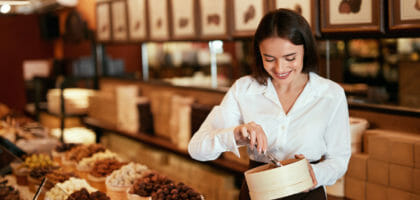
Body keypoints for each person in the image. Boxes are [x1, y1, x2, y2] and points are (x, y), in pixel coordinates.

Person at [188, 8, 351, 200]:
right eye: (269, 59)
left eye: (290, 58)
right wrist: (236, 135)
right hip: (257, 193)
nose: (280, 68)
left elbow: (339, 159)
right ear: (259, 54)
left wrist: (315, 174)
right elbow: (196, 149)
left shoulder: (331, 94)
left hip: (307, 192)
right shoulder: (244, 89)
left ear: (306, 49)